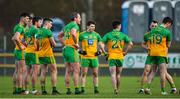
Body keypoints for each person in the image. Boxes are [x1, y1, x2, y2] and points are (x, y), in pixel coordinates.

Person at [139, 20, 177, 95]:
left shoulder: (150, 32)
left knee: (153, 72)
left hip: (152, 54)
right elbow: (168, 45)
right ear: (168, 23)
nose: (154, 27)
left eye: (155, 26)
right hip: (161, 54)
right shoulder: (166, 32)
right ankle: (163, 91)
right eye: (152, 26)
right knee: (163, 72)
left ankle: (147, 88)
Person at [102, 20, 133, 94]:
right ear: (119, 26)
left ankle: (115, 89)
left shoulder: (108, 35)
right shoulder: (123, 35)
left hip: (111, 56)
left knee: (113, 74)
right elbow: (131, 44)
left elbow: (101, 44)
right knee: (118, 75)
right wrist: (126, 52)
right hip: (120, 56)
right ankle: (117, 90)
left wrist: (104, 52)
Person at [58, 12, 81, 95]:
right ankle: (77, 89)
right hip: (72, 49)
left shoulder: (66, 26)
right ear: (75, 18)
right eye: (79, 18)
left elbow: (59, 36)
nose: (80, 19)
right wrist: (76, 43)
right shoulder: (75, 25)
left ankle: (68, 90)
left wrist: (65, 44)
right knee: (76, 70)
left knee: (68, 70)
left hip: (66, 49)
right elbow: (73, 33)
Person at [36, 18, 60, 95]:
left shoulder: (38, 31)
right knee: (54, 71)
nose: (51, 25)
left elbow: (36, 44)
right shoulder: (48, 31)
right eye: (51, 24)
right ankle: (54, 90)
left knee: (43, 72)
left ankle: (43, 90)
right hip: (48, 54)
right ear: (47, 23)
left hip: (40, 54)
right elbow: (54, 44)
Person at [79, 21, 103, 94]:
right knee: (84, 74)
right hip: (85, 57)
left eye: (94, 26)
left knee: (95, 73)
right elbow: (76, 44)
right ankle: (82, 89)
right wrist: (79, 51)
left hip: (94, 57)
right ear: (87, 26)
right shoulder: (82, 35)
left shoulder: (97, 35)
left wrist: (100, 52)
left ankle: (96, 89)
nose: (93, 28)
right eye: (92, 26)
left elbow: (101, 44)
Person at [12, 12, 30, 94]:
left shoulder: (17, 26)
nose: (28, 20)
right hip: (20, 51)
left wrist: (21, 44)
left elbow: (13, 38)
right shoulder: (20, 27)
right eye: (27, 18)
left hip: (16, 50)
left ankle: (15, 89)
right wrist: (21, 47)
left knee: (17, 70)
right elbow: (15, 38)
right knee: (22, 71)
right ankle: (20, 90)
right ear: (22, 18)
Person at [24, 16, 43, 94]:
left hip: (27, 52)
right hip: (34, 53)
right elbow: (38, 40)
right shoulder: (36, 30)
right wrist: (38, 48)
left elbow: (23, 41)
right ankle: (34, 90)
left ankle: (26, 90)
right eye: (40, 22)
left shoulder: (27, 30)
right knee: (35, 72)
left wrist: (28, 47)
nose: (41, 24)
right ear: (36, 22)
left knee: (27, 72)